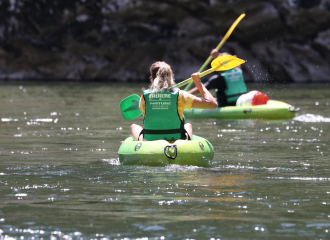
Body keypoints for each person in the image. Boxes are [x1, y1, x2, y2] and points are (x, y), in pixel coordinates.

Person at [131, 61, 217, 141]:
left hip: (151, 139)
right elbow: (212, 104)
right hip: (176, 139)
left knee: (134, 126)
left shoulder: (144, 97)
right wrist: (198, 82)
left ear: (152, 79)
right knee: (188, 125)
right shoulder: (180, 95)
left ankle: (143, 143)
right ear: (171, 78)